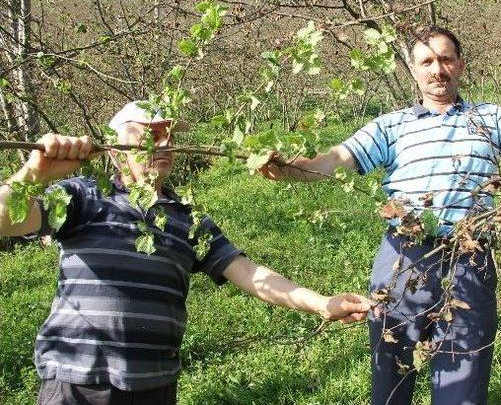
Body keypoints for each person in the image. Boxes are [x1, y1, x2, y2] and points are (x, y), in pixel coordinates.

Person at [258, 26, 501, 405]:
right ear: (413, 71)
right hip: (402, 262)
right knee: (388, 383)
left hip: (470, 262)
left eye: (445, 58)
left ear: (460, 65)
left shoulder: (490, 118)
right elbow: (336, 160)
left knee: (462, 390)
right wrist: (288, 167)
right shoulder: (392, 125)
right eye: (427, 61)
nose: (437, 69)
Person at [0, 101, 372, 405]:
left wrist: (322, 303)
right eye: (149, 135)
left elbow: (249, 273)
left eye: (168, 137)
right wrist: (35, 174)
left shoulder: (188, 220)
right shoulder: (83, 197)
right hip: (77, 384)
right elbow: (5, 219)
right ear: (114, 148)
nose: (162, 145)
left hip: (155, 388)